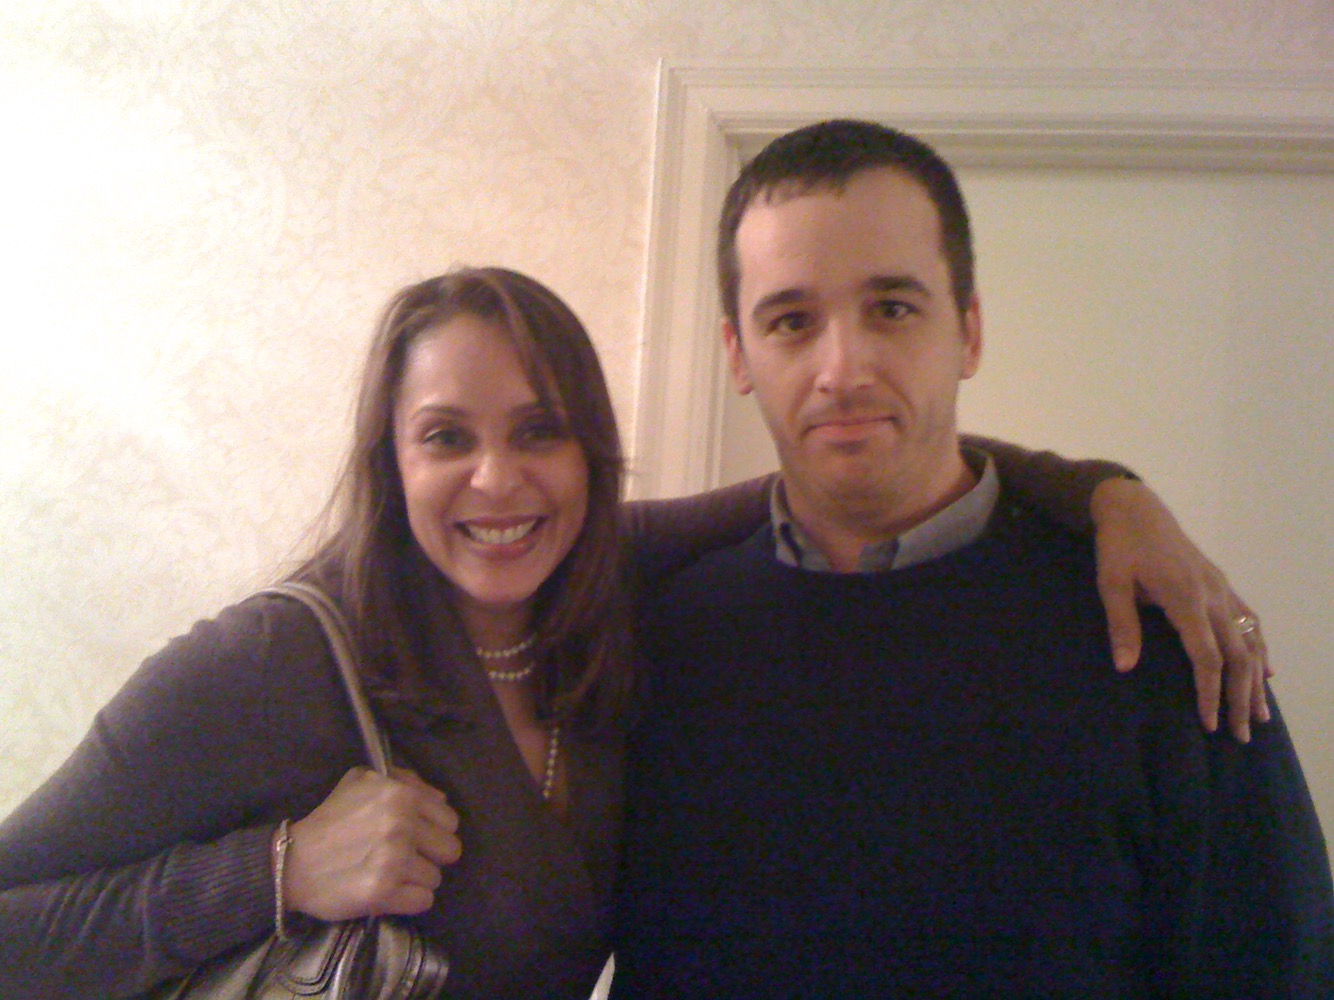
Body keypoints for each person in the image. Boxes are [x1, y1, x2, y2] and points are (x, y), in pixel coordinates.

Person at [0, 268, 1271, 999]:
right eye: (445, 437)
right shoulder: (276, 658)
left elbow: (845, 474)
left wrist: (1098, 491)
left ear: (590, 454)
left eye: (538, 430)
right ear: (389, 460)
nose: (497, 479)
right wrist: (274, 870)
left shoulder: (604, 584)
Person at [612, 121, 1334, 997]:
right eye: (792, 321)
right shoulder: (661, 638)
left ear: (970, 331)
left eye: (892, 308)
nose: (843, 367)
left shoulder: (1156, 626)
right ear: (738, 354)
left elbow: (1280, 971)